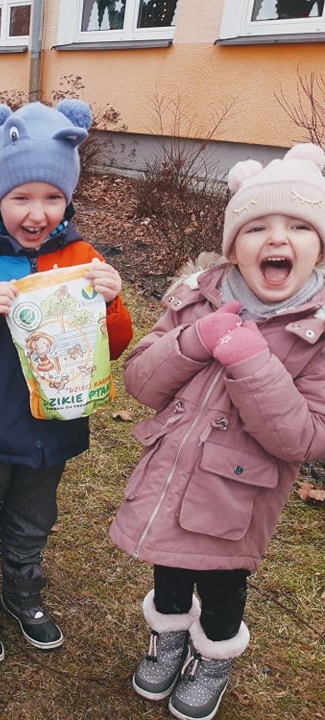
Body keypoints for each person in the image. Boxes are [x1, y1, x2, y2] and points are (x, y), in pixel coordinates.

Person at [109, 143, 325, 720]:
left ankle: (213, 657)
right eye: (257, 226)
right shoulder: (196, 295)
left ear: (320, 246)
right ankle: (169, 639)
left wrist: (250, 360)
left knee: (222, 588)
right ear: (234, 245)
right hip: (170, 473)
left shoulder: (319, 330)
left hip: (236, 494)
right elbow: (141, 382)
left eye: (299, 226)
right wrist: (192, 341)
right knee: (170, 569)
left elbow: (306, 439)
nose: (277, 240)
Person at [0, 100, 133, 664]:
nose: (37, 213)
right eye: (21, 198)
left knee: (35, 515)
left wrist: (110, 305)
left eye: (52, 197)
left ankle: (23, 587)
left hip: (52, 428)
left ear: (68, 199)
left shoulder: (83, 258)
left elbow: (111, 346)